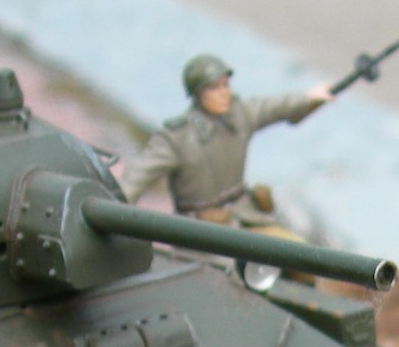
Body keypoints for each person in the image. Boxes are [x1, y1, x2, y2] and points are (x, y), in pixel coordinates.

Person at [116, 54, 333, 239]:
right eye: (213, 88)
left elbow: (274, 108)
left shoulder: (239, 115)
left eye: (225, 85)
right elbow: (135, 179)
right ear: (198, 94)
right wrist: (114, 215)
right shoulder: (176, 138)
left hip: (247, 217)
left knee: (298, 255)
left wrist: (309, 98)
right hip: (199, 233)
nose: (223, 93)